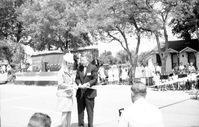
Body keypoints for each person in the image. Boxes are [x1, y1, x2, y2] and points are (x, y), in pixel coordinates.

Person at [75, 55, 98, 127]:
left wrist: (88, 84)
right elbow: (77, 78)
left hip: (89, 93)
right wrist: (79, 83)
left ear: (87, 59)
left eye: (83, 60)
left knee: (90, 112)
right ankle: (81, 125)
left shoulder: (93, 67)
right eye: (80, 60)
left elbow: (95, 79)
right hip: (80, 93)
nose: (81, 62)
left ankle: (90, 125)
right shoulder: (79, 67)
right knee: (80, 112)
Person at [57, 53, 77, 127]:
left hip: (69, 95)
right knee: (64, 113)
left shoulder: (70, 72)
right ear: (65, 63)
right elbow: (61, 84)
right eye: (69, 63)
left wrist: (75, 85)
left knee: (69, 112)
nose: (70, 65)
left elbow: (72, 81)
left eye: (71, 63)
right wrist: (71, 86)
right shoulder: (61, 72)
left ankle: (68, 126)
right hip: (63, 95)